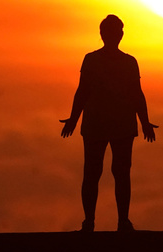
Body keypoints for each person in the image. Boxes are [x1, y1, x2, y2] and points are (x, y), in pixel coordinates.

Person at [60, 14, 157, 232]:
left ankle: (107, 221)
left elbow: (135, 94)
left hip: (109, 123)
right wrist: (73, 119)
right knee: (105, 172)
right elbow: (83, 91)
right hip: (105, 123)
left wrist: (145, 122)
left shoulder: (107, 61)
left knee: (108, 172)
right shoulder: (103, 61)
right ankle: (100, 221)